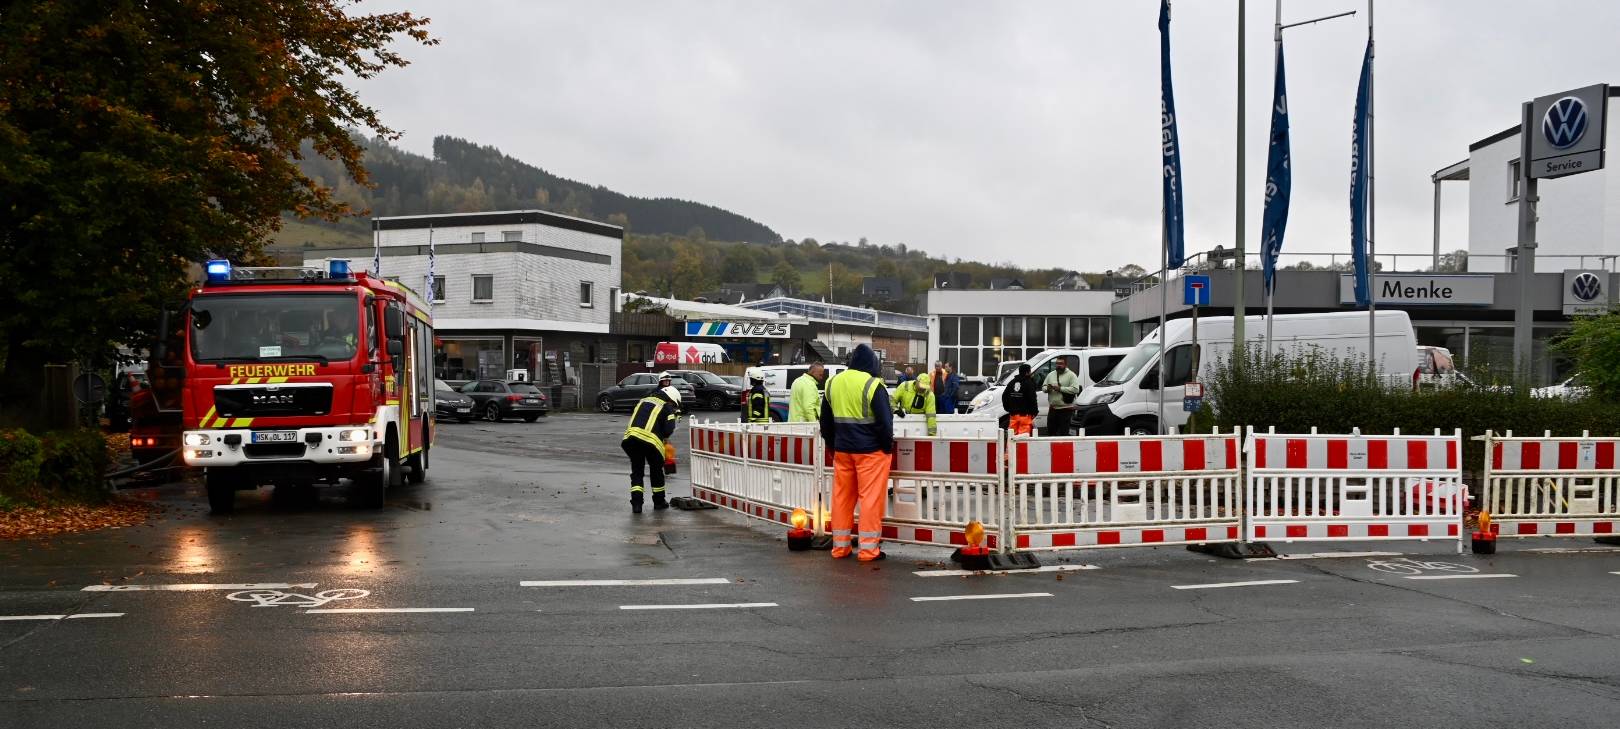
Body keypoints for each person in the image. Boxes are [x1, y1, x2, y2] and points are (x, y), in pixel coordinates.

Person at [819, 344, 894, 562]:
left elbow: (825, 421)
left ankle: (840, 548)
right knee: (870, 500)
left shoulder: (833, 383)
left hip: (842, 450)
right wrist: (886, 447)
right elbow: (884, 423)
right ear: (872, 364)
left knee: (842, 499)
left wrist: (833, 445)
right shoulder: (873, 385)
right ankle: (868, 550)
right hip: (870, 452)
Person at [621, 385, 681, 513]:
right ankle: (659, 502)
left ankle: (637, 505)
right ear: (672, 399)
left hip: (630, 439)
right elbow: (668, 430)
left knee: (637, 472)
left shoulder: (644, 400)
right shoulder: (667, 406)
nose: (674, 407)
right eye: (675, 404)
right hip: (650, 443)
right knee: (656, 471)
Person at [1042, 358, 1081, 437]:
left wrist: (1060, 389)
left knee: (1064, 434)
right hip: (1053, 410)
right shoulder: (1051, 374)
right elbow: (1043, 387)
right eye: (1057, 363)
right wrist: (1047, 389)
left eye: (1061, 364)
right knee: (1051, 433)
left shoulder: (1071, 375)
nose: (1058, 365)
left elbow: (1076, 389)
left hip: (1066, 410)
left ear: (1066, 365)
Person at [893, 372, 937, 436]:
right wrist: (896, 410)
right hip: (903, 422)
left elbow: (931, 415)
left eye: (924, 388)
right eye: (921, 387)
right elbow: (891, 401)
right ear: (916, 381)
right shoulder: (905, 386)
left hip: (918, 425)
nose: (922, 389)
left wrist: (932, 435)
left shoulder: (929, 395)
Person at [1001, 363, 1039, 436]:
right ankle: (1020, 447)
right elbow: (1032, 399)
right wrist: (1035, 411)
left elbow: (1004, 396)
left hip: (1013, 415)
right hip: (1025, 415)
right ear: (1028, 372)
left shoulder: (1012, 382)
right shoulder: (1029, 383)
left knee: (1012, 436)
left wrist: (1008, 408)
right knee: (1023, 437)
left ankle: (1010, 447)